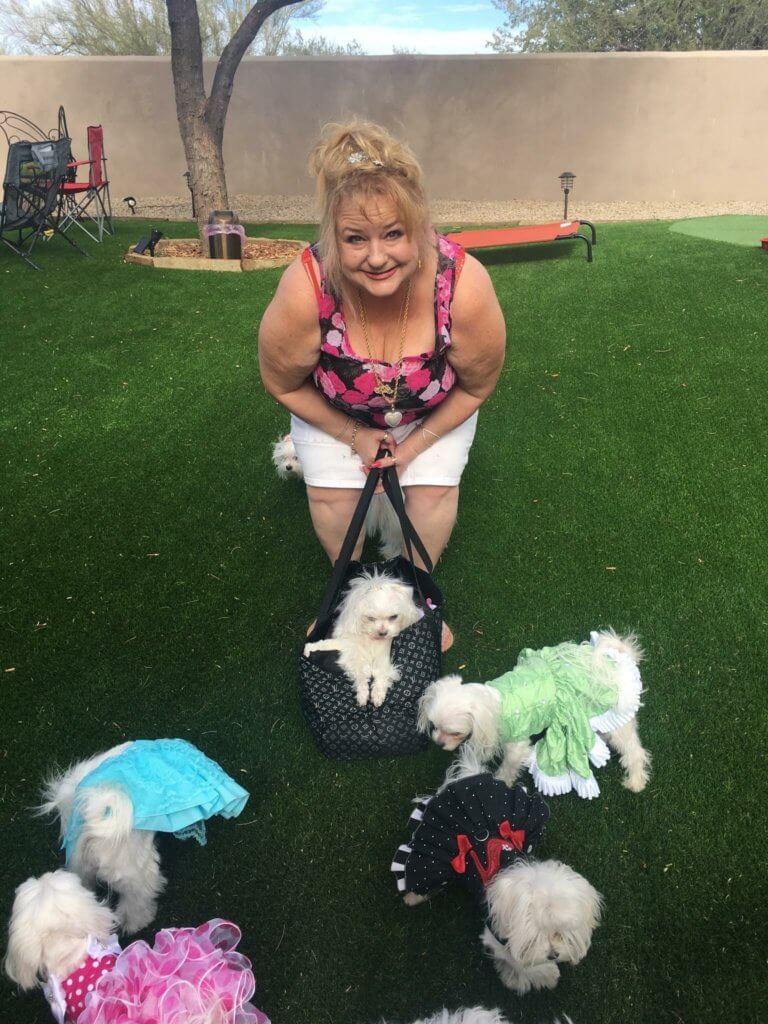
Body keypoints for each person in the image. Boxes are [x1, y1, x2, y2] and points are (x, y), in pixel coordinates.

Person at [258, 120, 506, 649]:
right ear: (334, 237)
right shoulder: (306, 284)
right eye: (355, 238)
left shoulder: (463, 282)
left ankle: (414, 591)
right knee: (331, 497)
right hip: (332, 410)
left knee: (432, 491)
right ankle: (345, 591)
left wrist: (411, 448)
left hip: (433, 411)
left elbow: (476, 386)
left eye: (393, 234)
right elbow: (282, 382)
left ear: (419, 226)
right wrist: (353, 436)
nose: (376, 257)